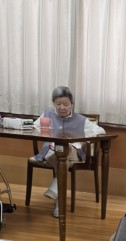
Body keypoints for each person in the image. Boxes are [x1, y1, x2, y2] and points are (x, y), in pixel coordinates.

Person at [32, 86, 105, 218]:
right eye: (58, 104)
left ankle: (58, 202)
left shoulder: (81, 120)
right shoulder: (48, 115)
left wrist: (84, 137)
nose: (62, 107)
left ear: (72, 104)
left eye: (66, 104)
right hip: (50, 153)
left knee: (64, 152)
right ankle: (57, 199)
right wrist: (45, 132)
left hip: (73, 153)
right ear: (53, 103)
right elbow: (34, 127)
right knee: (61, 155)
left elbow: (101, 131)